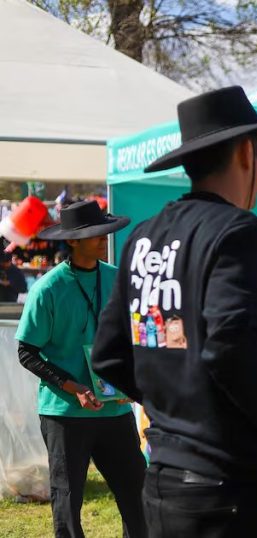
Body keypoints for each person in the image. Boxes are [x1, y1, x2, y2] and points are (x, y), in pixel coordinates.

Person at [91, 86, 257, 537]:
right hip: (235, 492)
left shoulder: (144, 238)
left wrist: (178, 407)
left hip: (163, 483)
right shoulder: (237, 230)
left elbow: (109, 354)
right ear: (248, 154)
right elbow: (231, 344)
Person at [16, 200, 146, 538]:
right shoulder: (48, 289)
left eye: (105, 232)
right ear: (72, 240)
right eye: (95, 234)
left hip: (114, 411)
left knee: (137, 493)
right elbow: (27, 352)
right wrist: (74, 387)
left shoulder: (118, 279)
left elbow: (134, 337)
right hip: (65, 415)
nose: (104, 239)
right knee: (68, 501)